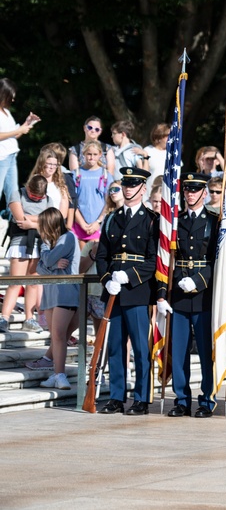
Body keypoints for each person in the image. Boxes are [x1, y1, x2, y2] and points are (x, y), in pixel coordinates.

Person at [95, 166, 159, 416]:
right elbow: (102, 255)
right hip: (113, 291)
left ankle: (142, 398)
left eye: (134, 185)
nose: (128, 188)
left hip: (137, 290)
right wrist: (107, 278)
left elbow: (153, 261)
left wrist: (129, 276)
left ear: (143, 189)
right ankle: (116, 397)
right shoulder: (112, 218)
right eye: (126, 184)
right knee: (115, 346)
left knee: (141, 348)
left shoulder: (152, 220)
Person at [165, 172, 218, 418]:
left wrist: (197, 280)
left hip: (204, 293)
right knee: (179, 351)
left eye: (195, 190)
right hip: (179, 292)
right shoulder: (176, 221)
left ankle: (207, 399)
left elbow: (217, 261)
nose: (191, 194)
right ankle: (182, 399)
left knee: (206, 351)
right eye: (187, 190)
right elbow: (167, 257)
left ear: (204, 193)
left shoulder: (215, 222)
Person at [35, 208, 80, 391]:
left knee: (60, 335)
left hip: (66, 294)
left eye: (42, 225)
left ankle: (60, 375)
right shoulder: (46, 242)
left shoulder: (68, 237)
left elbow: (48, 259)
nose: (39, 229)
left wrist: (50, 262)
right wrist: (53, 265)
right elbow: (39, 268)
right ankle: (56, 374)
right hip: (50, 294)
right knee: (56, 336)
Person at [0, 175, 53, 333]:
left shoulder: (48, 200)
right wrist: (40, 221)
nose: (36, 199)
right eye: (33, 196)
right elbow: (20, 220)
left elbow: (51, 221)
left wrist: (32, 222)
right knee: (15, 282)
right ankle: (4, 317)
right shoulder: (17, 194)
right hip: (21, 243)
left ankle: (30, 318)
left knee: (34, 283)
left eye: (39, 197)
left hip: (40, 244)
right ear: (28, 188)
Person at [0, 78, 39, 209]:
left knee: (13, 194)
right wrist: (19, 130)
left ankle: (13, 224)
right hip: (1, 158)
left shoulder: (7, 113)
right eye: (11, 97)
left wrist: (28, 123)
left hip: (11, 157)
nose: (12, 100)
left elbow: (14, 135)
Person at [70, 140, 112, 248]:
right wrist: (82, 223)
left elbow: (109, 202)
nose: (91, 157)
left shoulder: (106, 175)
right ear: (83, 154)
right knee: (82, 261)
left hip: (99, 225)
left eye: (95, 154)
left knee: (94, 259)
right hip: (79, 224)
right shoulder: (77, 174)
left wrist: (98, 222)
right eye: (89, 154)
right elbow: (72, 202)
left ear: (100, 155)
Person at [28, 148, 70, 221]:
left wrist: (54, 222)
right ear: (42, 163)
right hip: (36, 222)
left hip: (55, 223)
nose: (52, 167)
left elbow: (63, 212)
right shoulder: (34, 181)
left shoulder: (60, 184)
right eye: (49, 164)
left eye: (55, 164)